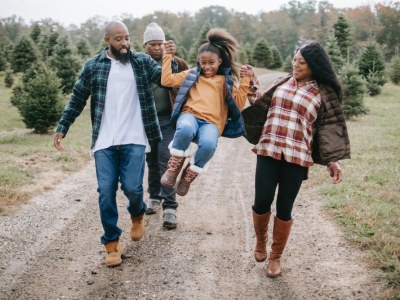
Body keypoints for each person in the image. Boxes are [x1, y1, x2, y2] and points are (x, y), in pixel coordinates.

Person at [53, 21, 171, 267]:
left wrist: (170, 58)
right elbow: (77, 97)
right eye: (119, 39)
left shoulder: (141, 62)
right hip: (104, 140)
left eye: (127, 38)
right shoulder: (94, 66)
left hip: (135, 138)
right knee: (105, 191)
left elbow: (165, 80)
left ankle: (137, 214)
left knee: (133, 189)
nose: (125, 43)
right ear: (107, 39)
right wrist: (63, 126)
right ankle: (111, 245)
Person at [247, 41, 350, 278]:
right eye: (294, 60)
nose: (296, 64)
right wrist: (252, 86)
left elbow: (327, 130)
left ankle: (275, 257)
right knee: (261, 201)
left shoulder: (323, 93)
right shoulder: (283, 81)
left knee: (284, 207)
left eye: (302, 62)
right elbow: (263, 104)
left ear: (313, 65)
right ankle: (261, 241)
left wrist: (333, 161)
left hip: (296, 157)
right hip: (269, 149)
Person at [160, 28, 254, 196]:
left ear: (219, 61)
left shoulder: (225, 81)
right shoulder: (192, 75)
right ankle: (174, 167)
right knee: (186, 128)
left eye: (211, 62)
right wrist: (167, 56)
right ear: (198, 61)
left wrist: (245, 80)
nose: (207, 66)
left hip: (211, 123)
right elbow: (167, 80)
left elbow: (238, 106)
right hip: (190, 115)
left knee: (209, 145)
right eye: (203, 62)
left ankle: (188, 176)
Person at [142, 23, 188, 229]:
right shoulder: (140, 63)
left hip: (169, 120)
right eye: (153, 44)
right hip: (147, 121)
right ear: (145, 46)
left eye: (160, 43)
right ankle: (154, 197)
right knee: (151, 160)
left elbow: (189, 85)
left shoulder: (176, 63)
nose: (158, 48)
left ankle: (170, 208)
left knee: (166, 160)